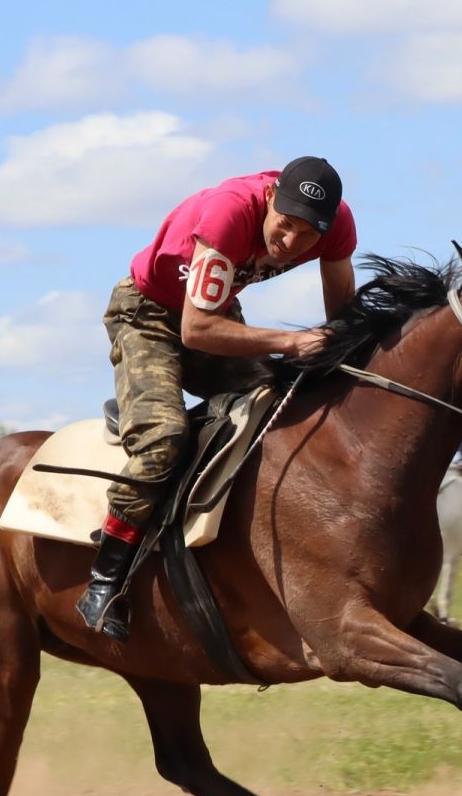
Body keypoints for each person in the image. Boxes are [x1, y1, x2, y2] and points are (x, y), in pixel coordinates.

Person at [79, 157, 360, 640]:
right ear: (270, 198)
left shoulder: (339, 227)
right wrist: (292, 342)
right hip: (148, 316)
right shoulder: (229, 212)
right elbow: (197, 329)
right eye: (284, 225)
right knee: (165, 438)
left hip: (214, 312)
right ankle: (103, 581)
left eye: (306, 236)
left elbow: (343, 317)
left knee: (282, 400)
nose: (290, 244)